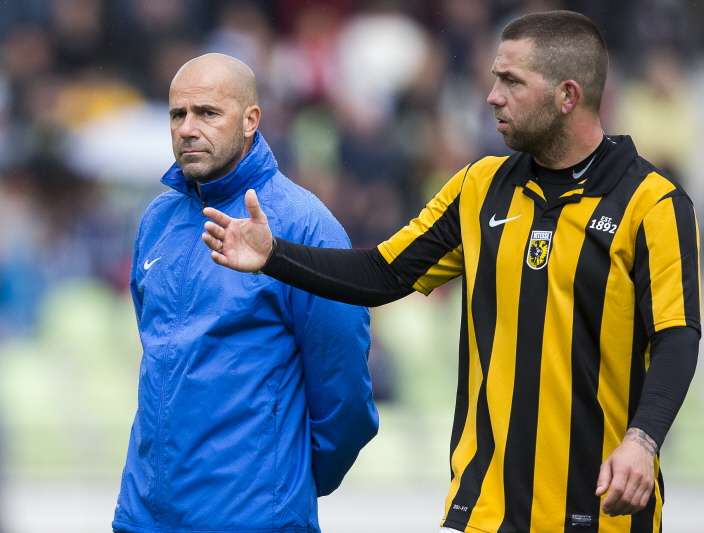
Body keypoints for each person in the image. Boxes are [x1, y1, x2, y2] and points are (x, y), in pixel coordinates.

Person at [201, 11, 699, 533]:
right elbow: (381, 274)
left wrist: (643, 441)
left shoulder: (653, 203)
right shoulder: (479, 188)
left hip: (604, 512)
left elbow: (677, 336)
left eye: (511, 81)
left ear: (567, 96)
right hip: (484, 511)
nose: (492, 96)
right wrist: (274, 255)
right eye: (493, 79)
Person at [112, 53, 378, 533]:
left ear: (251, 119)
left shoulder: (304, 226)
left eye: (208, 113)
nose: (188, 128)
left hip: (254, 518)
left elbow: (347, 400)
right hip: (145, 516)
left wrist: (281, 483)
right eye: (178, 114)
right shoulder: (156, 220)